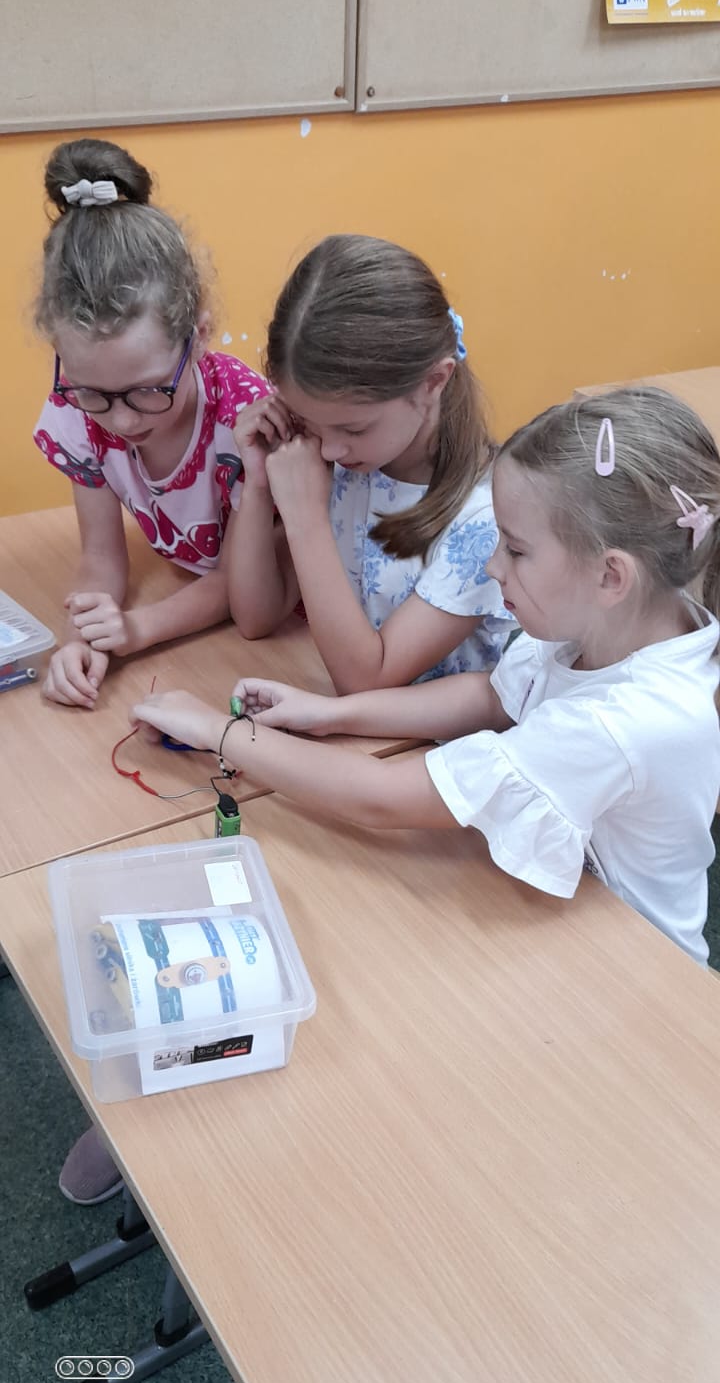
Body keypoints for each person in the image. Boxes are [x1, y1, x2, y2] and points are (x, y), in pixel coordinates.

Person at [134, 387, 720, 968]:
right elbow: (492, 696)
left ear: (611, 576)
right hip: (564, 916)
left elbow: (382, 799)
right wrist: (331, 713)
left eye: (516, 550)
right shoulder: (619, 622)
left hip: (634, 965)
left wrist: (217, 731)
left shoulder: (619, 723)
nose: (494, 566)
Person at [33, 137, 268, 711]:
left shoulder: (245, 422)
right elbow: (100, 558)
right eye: (94, 392)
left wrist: (136, 630)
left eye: (147, 391)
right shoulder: (76, 410)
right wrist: (84, 638)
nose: (120, 419)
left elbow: (241, 585)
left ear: (200, 335)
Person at [227, 235, 514, 692]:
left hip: (439, 734)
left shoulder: (485, 519)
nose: (328, 450)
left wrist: (305, 518)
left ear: (434, 381)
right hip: (356, 725)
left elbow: (365, 682)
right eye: (309, 422)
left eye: (354, 429)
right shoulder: (352, 461)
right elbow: (254, 618)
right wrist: (259, 484)